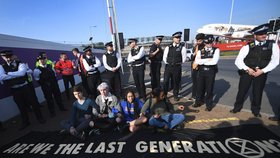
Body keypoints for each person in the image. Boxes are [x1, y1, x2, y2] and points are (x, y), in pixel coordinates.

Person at [230, 23, 279, 117]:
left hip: (261, 73)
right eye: (261, 34)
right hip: (247, 72)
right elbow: (238, 61)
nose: (264, 35)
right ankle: (237, 107)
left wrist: (263, 71)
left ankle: (256, 110)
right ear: (255, 35)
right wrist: (247, 69)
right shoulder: (248, 46)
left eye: (265, 33)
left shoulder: (272, 45)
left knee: (257, 92)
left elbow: (275, 61)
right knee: (242, 91)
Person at [0, 50, 46, 130]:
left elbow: (21, 73)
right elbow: (2, 77)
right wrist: (15, 74)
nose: (7, 59)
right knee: (21, 106)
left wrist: (8, 74)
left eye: (9, 56)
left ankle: (40, 118)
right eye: (5, 57)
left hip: (25, 87)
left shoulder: (21, 64)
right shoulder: (2, 66)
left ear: (11, 56)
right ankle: (26, 122)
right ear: (2, 57)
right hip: (14, 89)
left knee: (34, 103)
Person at [193, 35, 220, 111]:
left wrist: (203, 61)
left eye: (211, 42)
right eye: (208, 43)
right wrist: (208, 59)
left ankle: (209, 105)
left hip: (210, 71)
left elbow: (214, 62)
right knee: (199, 88)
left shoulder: (216, 50)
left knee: (209, 89)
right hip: (201, 71)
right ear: (205, 43)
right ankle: (198, 102)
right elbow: (197, 61)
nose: (210, 44)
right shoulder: (200, 51)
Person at [163, 31, 187, 101]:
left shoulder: (182, 48)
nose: (178, 39)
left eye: (179, 37)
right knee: (165, 81)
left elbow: (184, 59)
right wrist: (168, 62)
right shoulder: (168, 47)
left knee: (176, 82)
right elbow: (165, 57)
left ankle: (175, 95)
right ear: (173, 38)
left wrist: (177, 63)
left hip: (177, 67)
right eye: (177, 38)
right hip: (168, 67)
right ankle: (164, 95)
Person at [189, 33, 205, 101]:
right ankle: (193, 96)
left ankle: (200, 97)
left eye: (200, 41)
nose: (198, 42)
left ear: (203, 40)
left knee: (201, 83)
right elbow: (192, 57)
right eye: (197, 41)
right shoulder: (195, 46)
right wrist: (194, 54)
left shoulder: (205, 47)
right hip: (194, 66)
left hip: (201, 67)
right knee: (194, 82)